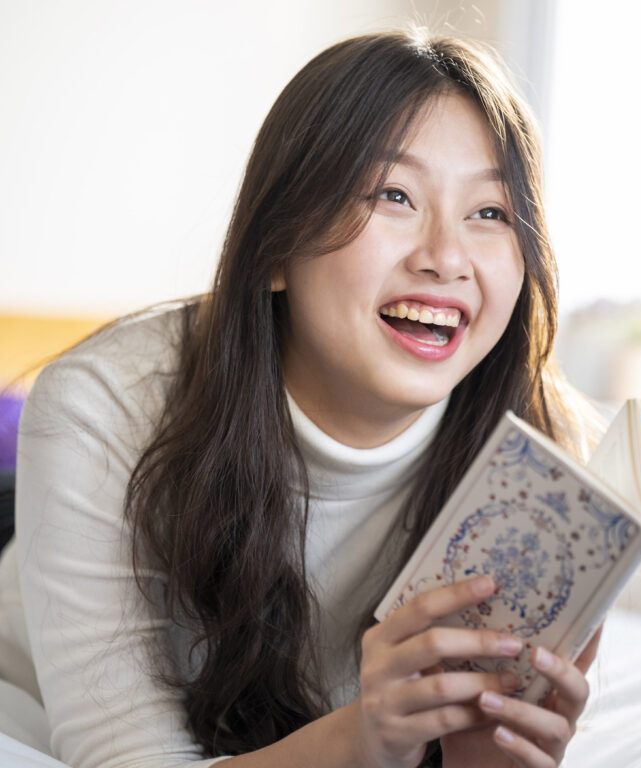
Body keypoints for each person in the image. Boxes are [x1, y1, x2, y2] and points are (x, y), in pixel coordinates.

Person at [0, 30, 601, 768]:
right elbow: (128, 755)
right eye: (394, 195)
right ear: (277, 245)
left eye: (491, 213)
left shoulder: (543, 459)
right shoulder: (99, 407)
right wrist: (360, 739)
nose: (446, 257)